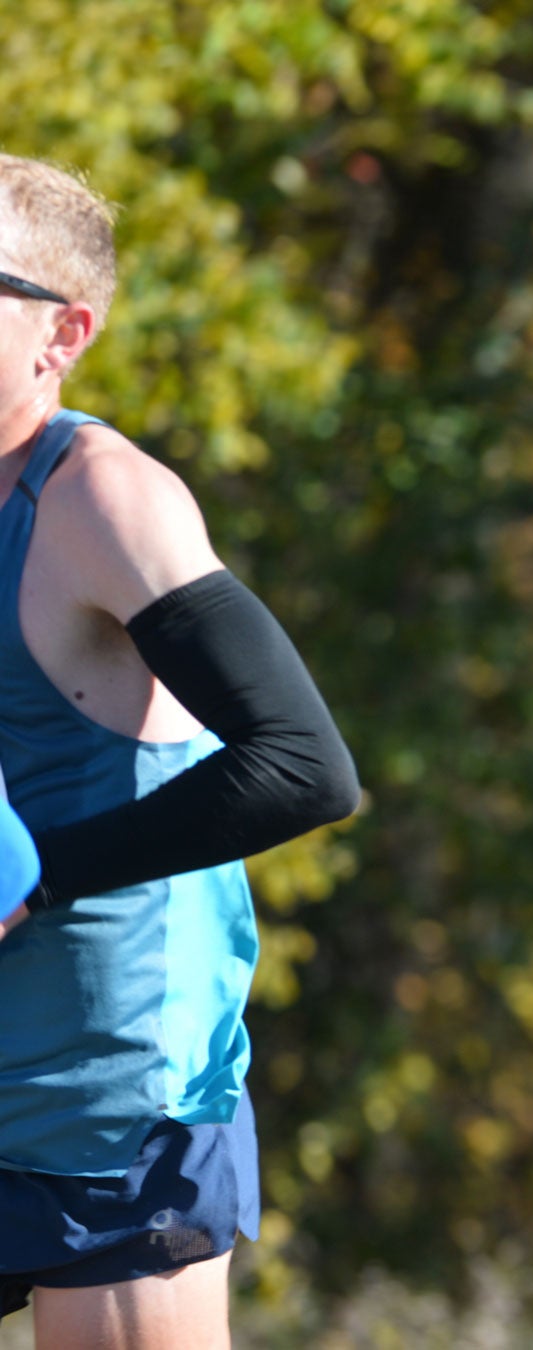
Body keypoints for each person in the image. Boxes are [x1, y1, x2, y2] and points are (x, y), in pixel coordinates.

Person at [0, 155, 360, 1346]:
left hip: (101, 1095)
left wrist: (37, 871)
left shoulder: (102, 501)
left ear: (65, 334)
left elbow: (304, 763)